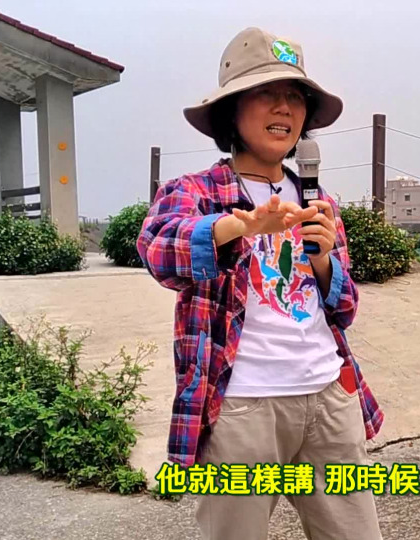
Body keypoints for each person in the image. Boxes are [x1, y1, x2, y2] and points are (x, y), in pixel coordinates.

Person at [136, 27, 384, 540]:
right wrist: (237, 227)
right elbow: (158, 250)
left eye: (295, 96)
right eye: (266, 92)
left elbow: (345, 307)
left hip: (328, 396)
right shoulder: (195, 191)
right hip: (242, 406)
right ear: (231, 111)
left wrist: (323, 262)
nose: (284, 107)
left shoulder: (318, 200)